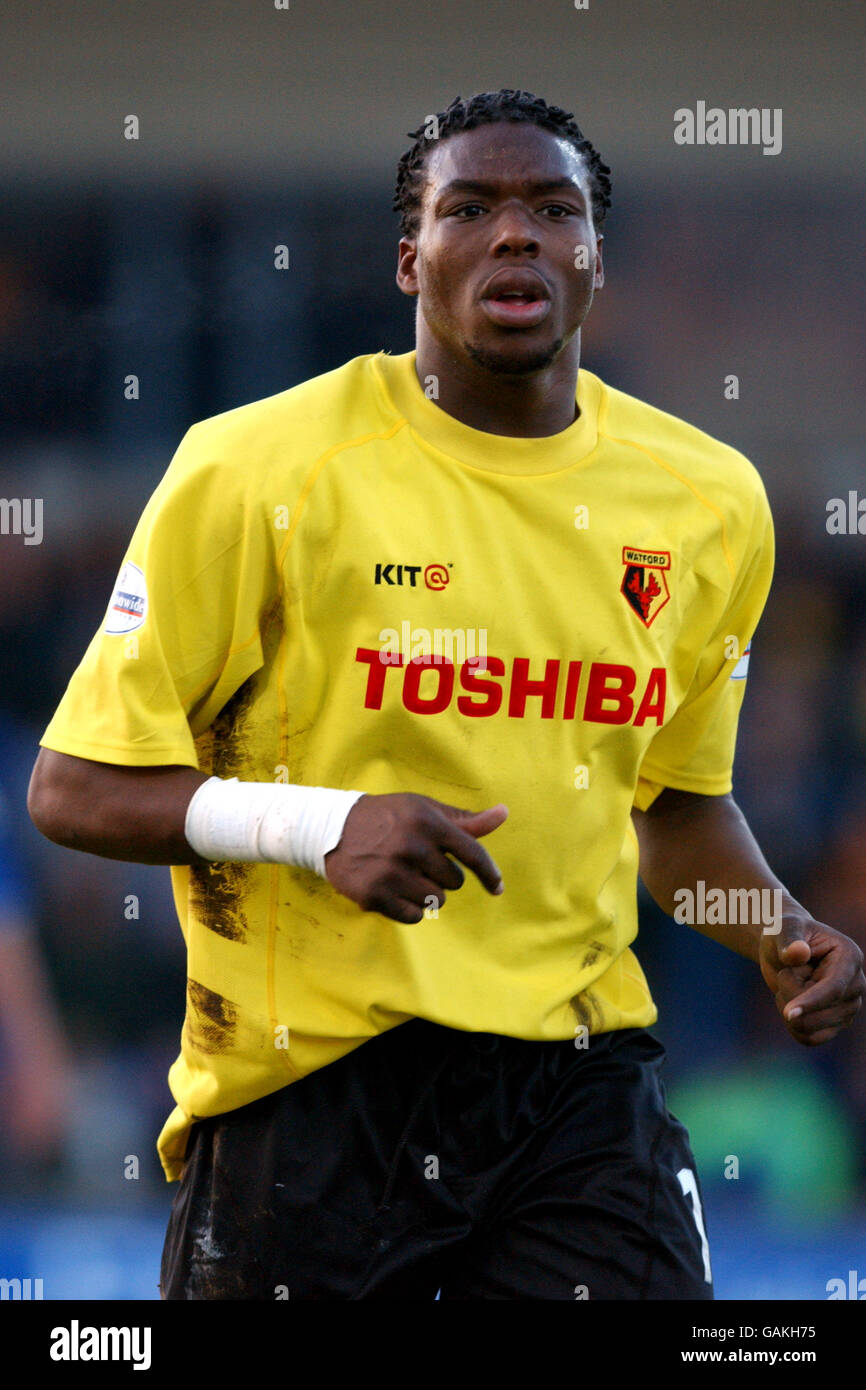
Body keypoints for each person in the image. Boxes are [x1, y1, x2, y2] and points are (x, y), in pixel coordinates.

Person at [27, 89, 864, 1300]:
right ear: (411, 259)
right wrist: (319, 830)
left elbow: (677, 808)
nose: (513, 234)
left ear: (591, 256)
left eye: (550, 209)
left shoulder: (706, 500)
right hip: (312, 1100)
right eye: (469, 207)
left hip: (578, 1092)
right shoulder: (255, 467)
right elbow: (72, 787)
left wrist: (776, 929)